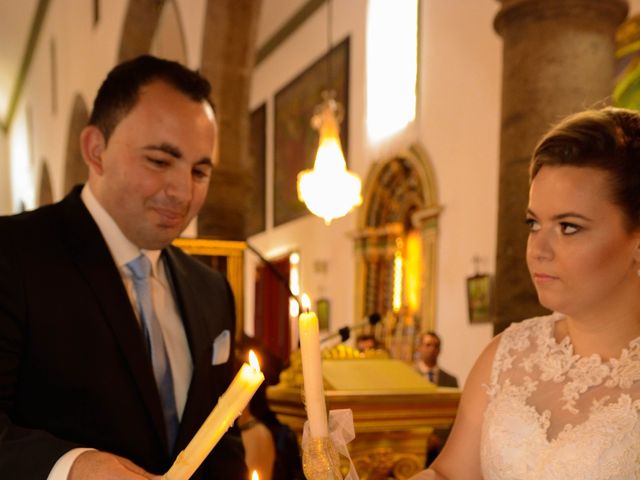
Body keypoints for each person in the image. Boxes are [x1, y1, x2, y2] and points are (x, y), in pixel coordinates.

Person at [0, 55, 247, 479]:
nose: (183, 192)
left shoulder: (211, 290)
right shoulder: (13, 253)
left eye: (200, 171)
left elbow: (221, 435)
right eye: (159, 161)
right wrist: (71, 467)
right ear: (96, 150)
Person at [410, 106, 640, 480]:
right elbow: (449, 476)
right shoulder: (505, 356)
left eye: (568, 227)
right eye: (534, 223)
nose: (538, 249)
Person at [414, 332, 458, 467]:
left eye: (436, 346)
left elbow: (453, 414)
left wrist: (438, 437)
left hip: (442, 446)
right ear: (419, 347)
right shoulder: (408, 377)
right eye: (427, 345)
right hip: (416, 443)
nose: (432, 349)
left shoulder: (450, 380)